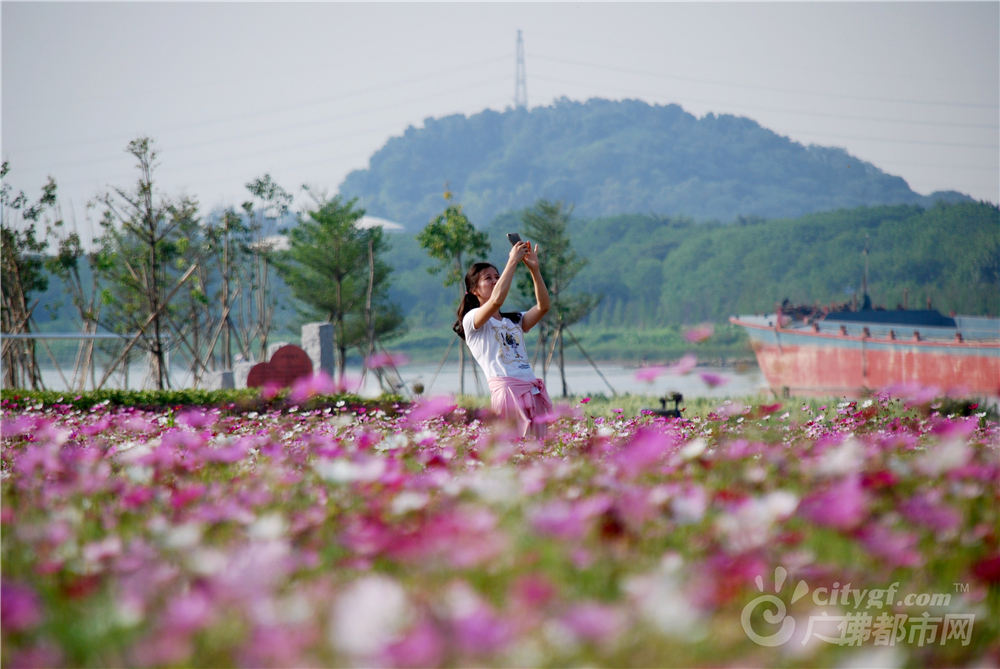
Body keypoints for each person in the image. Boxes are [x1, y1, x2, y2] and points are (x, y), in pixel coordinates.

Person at [452, 240, 552, 438]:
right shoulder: (473, 320)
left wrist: (535, 270)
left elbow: (543, 307)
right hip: (507, 392)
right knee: (515, 451)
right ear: (474, 290)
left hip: (532, 390)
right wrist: (512, 262)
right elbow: (497, 299)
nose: (495, 281)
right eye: (488, 278)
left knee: (539, 453)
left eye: (497, 277)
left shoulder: (513, 320)